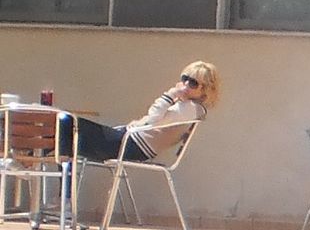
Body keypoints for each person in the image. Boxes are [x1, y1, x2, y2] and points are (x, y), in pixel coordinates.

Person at [65, 61, 219, 163]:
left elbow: (152, 121)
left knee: (64, 123)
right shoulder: (191, 109)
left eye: (193, 83)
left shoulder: (189, 109)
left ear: (204, 90)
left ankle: (61, 197)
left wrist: (170, 94)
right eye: (185, 78)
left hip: (131, 146)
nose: (185, 84)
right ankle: (63, 197)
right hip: (129, 143)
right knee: (65, 133)